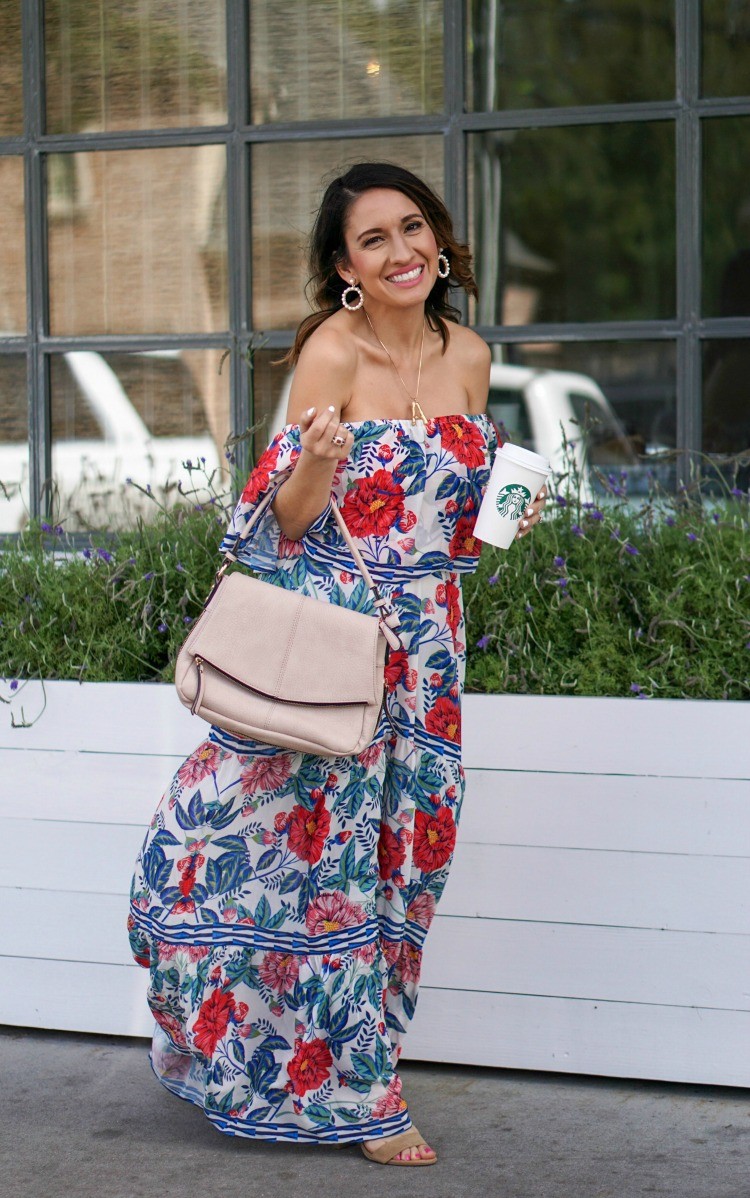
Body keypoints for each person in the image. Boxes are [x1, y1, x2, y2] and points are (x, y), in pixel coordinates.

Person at [128, 162, 546, 1166]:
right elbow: (283, 521)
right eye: (375, 240)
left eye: (415, 229)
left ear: (440, 240)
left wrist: (505, 519)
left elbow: (459, 534)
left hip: (430, 651)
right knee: (309, 872)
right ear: (345, 268)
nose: (404, 251)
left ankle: (351, 1069)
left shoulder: (473, 355)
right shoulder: (332, 352)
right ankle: (365, 1100)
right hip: (336, 646)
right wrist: (315, 456)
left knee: (406, 865)